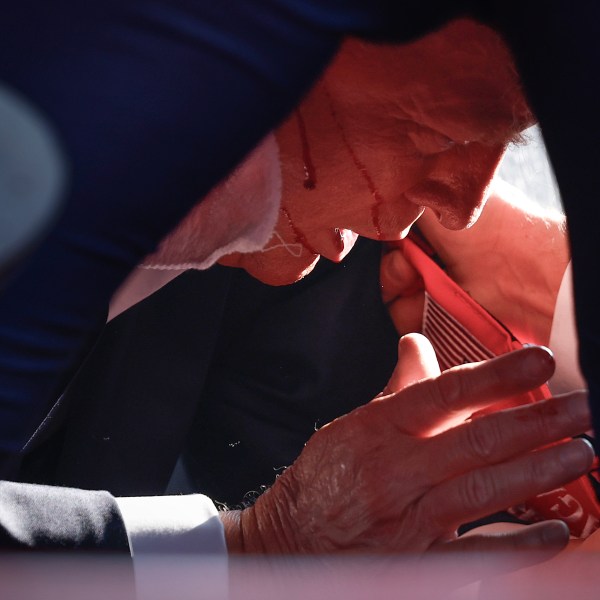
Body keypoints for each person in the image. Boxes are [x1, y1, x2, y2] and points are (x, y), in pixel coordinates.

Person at [7, 18, 592, 569]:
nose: (464, 210)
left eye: (509, 145)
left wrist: (546, 280)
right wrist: (257, 552)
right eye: (432, 137)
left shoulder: (314, 225)